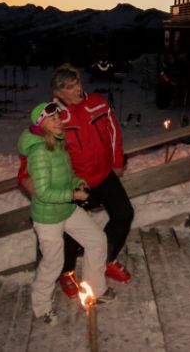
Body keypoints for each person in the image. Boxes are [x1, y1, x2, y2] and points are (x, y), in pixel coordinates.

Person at [19, 101, 114, 325]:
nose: (60, 121)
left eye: (59, 117)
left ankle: (96, 290)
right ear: (42, 124)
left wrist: (78, 183)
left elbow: (68, 175)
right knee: (53, 263)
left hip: (67, 209)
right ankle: (41, 308)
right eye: (53, 119)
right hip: (48, 217)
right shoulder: (40, 151)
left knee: (97, 240)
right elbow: (43, 192)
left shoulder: (57, 144)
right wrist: (74, 195)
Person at [50, 65, 134, 298]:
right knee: (70, 230)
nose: (77, 88)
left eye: (77, 82)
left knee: (123, 214)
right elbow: (45, 148)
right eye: (69, 87)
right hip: (76, 183)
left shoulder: (97, 103)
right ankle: (66, 273)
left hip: (104, 174)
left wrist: (117, 162)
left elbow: (114, 132)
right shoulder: (54, 115)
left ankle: (106, 260)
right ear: (58, 93)